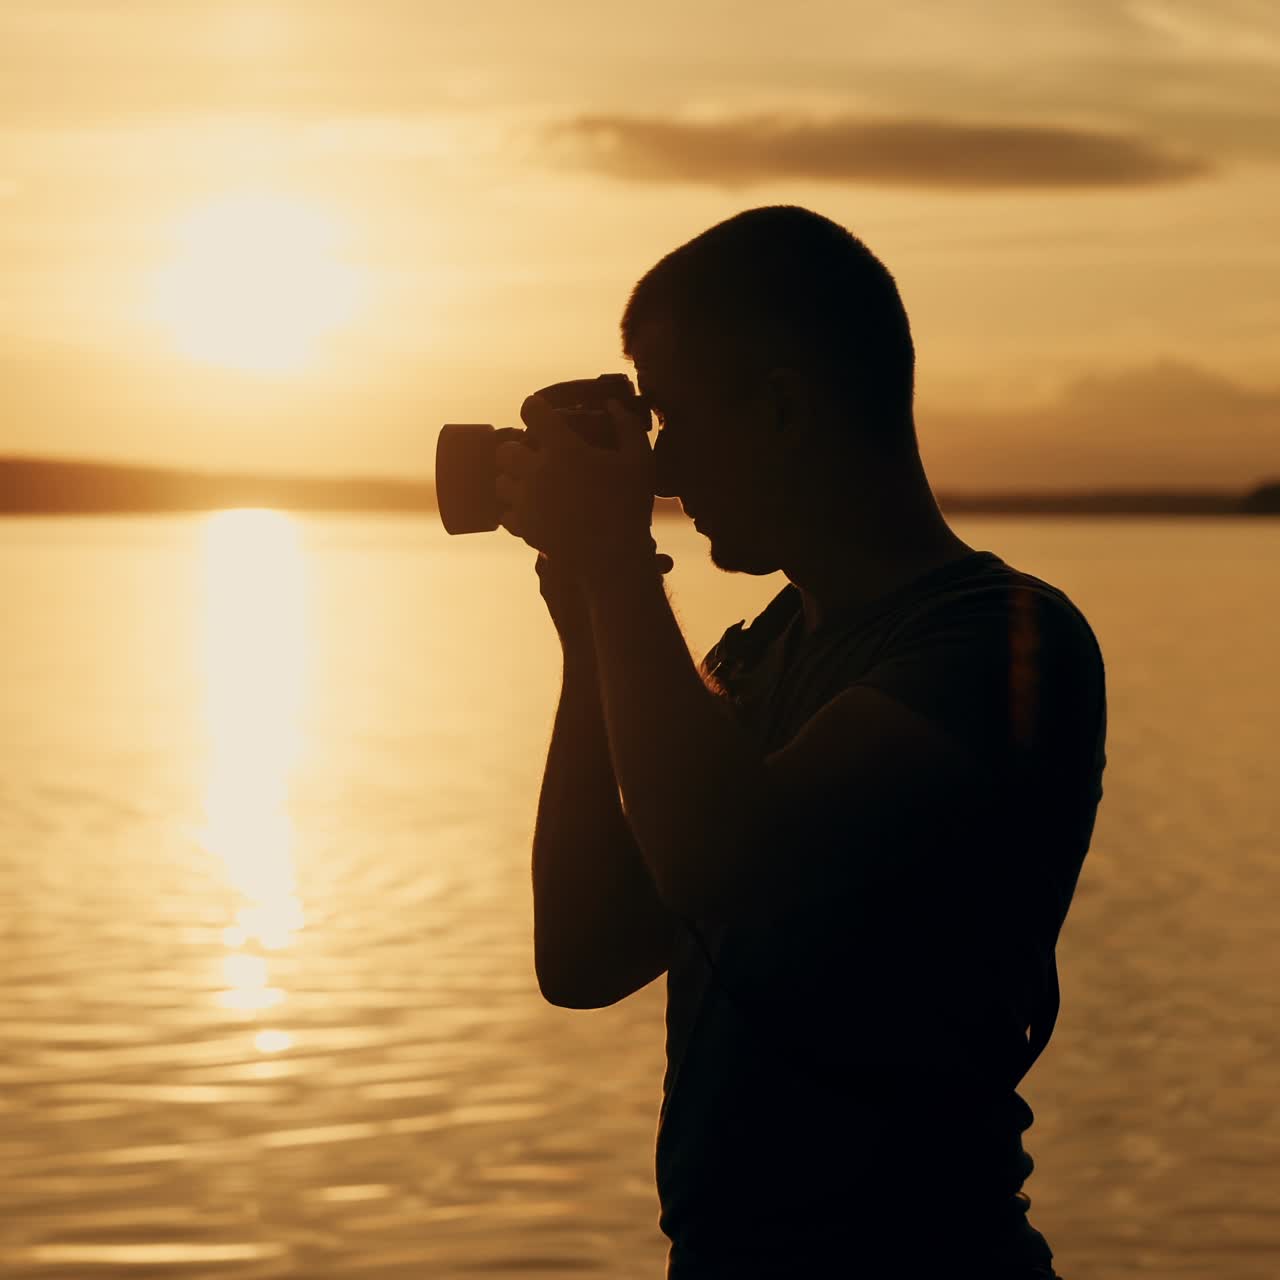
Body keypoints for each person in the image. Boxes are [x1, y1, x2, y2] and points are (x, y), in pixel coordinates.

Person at [495, 205, 1106, 1278]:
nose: (664, 471)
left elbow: (721, 860)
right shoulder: (757, 653)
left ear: (780, 408)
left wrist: (616, 565)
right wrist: (589, 626)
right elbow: (585, 951)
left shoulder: (1000, 643)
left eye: (672, 419)